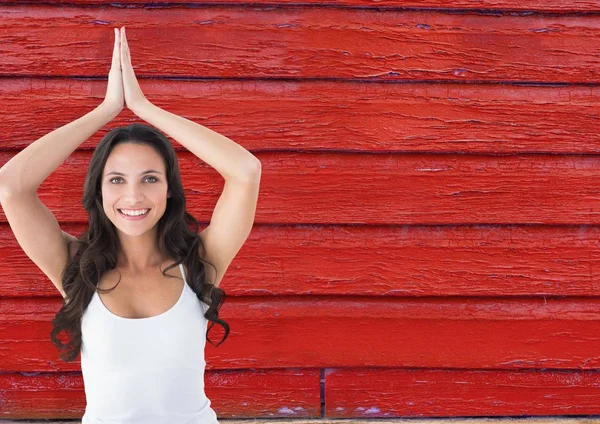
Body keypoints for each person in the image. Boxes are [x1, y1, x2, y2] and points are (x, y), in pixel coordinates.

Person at [0, 26, 261, 423]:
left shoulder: (200, 262)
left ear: (170, 190)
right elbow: (11, 187)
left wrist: (144, 107)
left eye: (150, 179)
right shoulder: (76, 268)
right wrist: (105, 110)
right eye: (117, 180)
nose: (133, 197)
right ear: (99, 191)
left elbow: (245, 170)